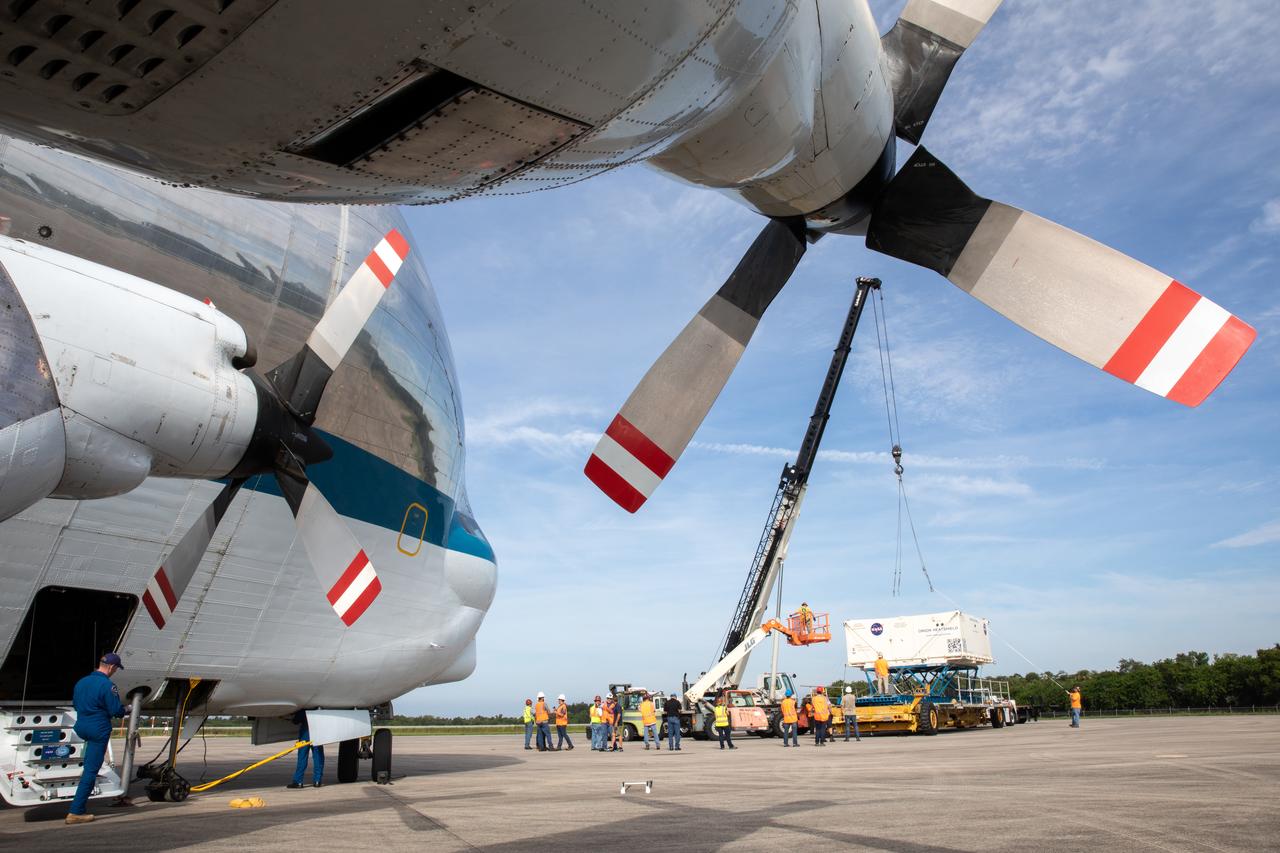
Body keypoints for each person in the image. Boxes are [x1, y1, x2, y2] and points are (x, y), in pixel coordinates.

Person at [67, 653, 128, 825]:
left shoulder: (82, 682)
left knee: (89, 764)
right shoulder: (107, 685)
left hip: (81, 725)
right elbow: (117, 710)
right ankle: (76, 811)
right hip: (97, 728)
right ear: (112, 667)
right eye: (116, 669)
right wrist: (127, 708)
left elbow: (76, 704)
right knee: (91, 771)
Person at [287, 709, 325, 788]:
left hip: (305, 735)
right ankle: (317, 781)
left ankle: (298, 781)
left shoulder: (303, 708)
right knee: (318, 757)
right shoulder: (319, 709)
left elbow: (296, 721)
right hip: (317, 734)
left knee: (302, 758)